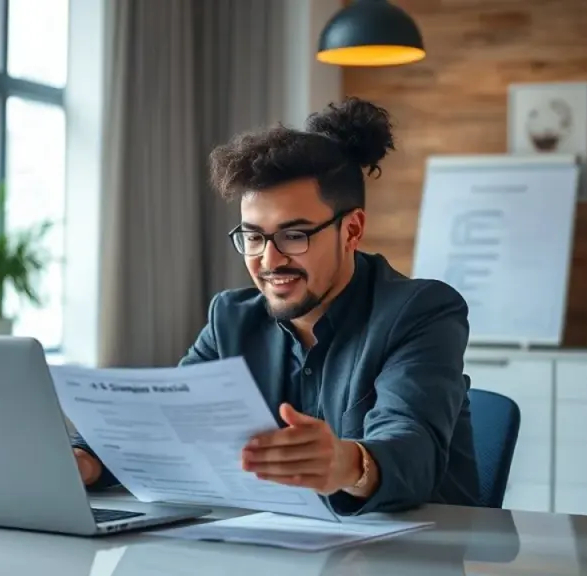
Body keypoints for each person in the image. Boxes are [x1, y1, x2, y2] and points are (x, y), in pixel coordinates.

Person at [71, 97, 481, 515]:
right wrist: (85, 461)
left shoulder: (420, 312)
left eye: (295, 235)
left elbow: (413, 445)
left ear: (352, 230)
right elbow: (168, 425)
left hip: (420, 552)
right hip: (282, 547)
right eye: (253, 237)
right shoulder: (231, 320)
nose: (268, 261)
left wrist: (346, 463)